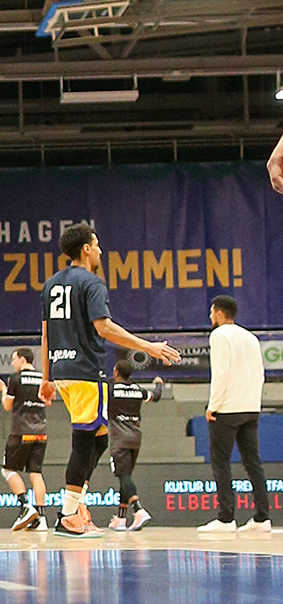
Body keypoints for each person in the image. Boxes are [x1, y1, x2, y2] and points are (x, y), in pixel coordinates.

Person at [38, 220, 181, 538]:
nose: (101, 251)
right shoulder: (92, 282)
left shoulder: (50, 284)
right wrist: (148, 346)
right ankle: (68, 516)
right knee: (84, 441)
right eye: (97, 245)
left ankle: (77, 506)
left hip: (62, 373)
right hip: (85, 372)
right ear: (85, 249)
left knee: (100, 438)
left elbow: (46, 335)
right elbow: (103, 328)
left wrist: (47, 379)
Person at [198, 296, 273, 535]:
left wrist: (213, 405)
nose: (210, 316)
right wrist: (254, 402)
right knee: (253, 463)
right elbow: (259, 373)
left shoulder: (219, 335)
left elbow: (221, 372)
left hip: (227, 409)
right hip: (250, 407)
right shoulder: (251, 337)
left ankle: (226, 518)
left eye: (212, 312)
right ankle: (262, 518)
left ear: (220, 313)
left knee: (221, 462)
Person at [0, 345, 51, 533]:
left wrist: (3, 389)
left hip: (21, 431)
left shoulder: (16, 379)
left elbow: (7, 405)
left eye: (14, 359)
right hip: (41, 431)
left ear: (23, 359)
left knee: (8, 469)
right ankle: (41, 518)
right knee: (36, 474)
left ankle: (25, 506)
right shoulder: (43, 377)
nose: (13, 363)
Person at [105, 363, 166, 533]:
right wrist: (159, 384)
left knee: (123, 475)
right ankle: (120, 518)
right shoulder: (138, 390)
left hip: (120, 439)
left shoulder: (110, 391)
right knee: (126, 477)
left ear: (116, 372)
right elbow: (156, 396)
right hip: (136, 439)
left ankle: (138, 510)